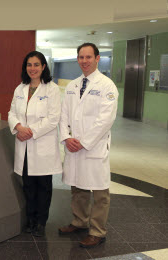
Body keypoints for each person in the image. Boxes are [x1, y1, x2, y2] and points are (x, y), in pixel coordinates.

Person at [58, 43, 118, 248]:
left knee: (100, 191)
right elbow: (64, 113)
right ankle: (79, 221)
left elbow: (105, 119)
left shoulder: (107, 86)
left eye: (88, 57)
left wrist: (83, 142)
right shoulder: (72, 85)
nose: (84, 61)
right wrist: (66, 137)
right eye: (81, 57)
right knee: (78, 187)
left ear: (97, 58)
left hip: (94, 146)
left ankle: (98, 231)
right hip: (74, 145)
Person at [8, 51, 62, 237]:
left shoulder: (52, 89)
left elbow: (53, 118)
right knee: (28, 185)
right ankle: (30, 220)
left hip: (41, 144)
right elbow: (12, 113)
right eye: (29, 65)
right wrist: (17, 127)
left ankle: (41, 221)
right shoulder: (20, 89)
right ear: (26, 67)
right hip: (24, 145)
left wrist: (30, 131)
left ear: (43, 67)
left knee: (43, 186)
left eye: (36, 64)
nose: (33, 68)